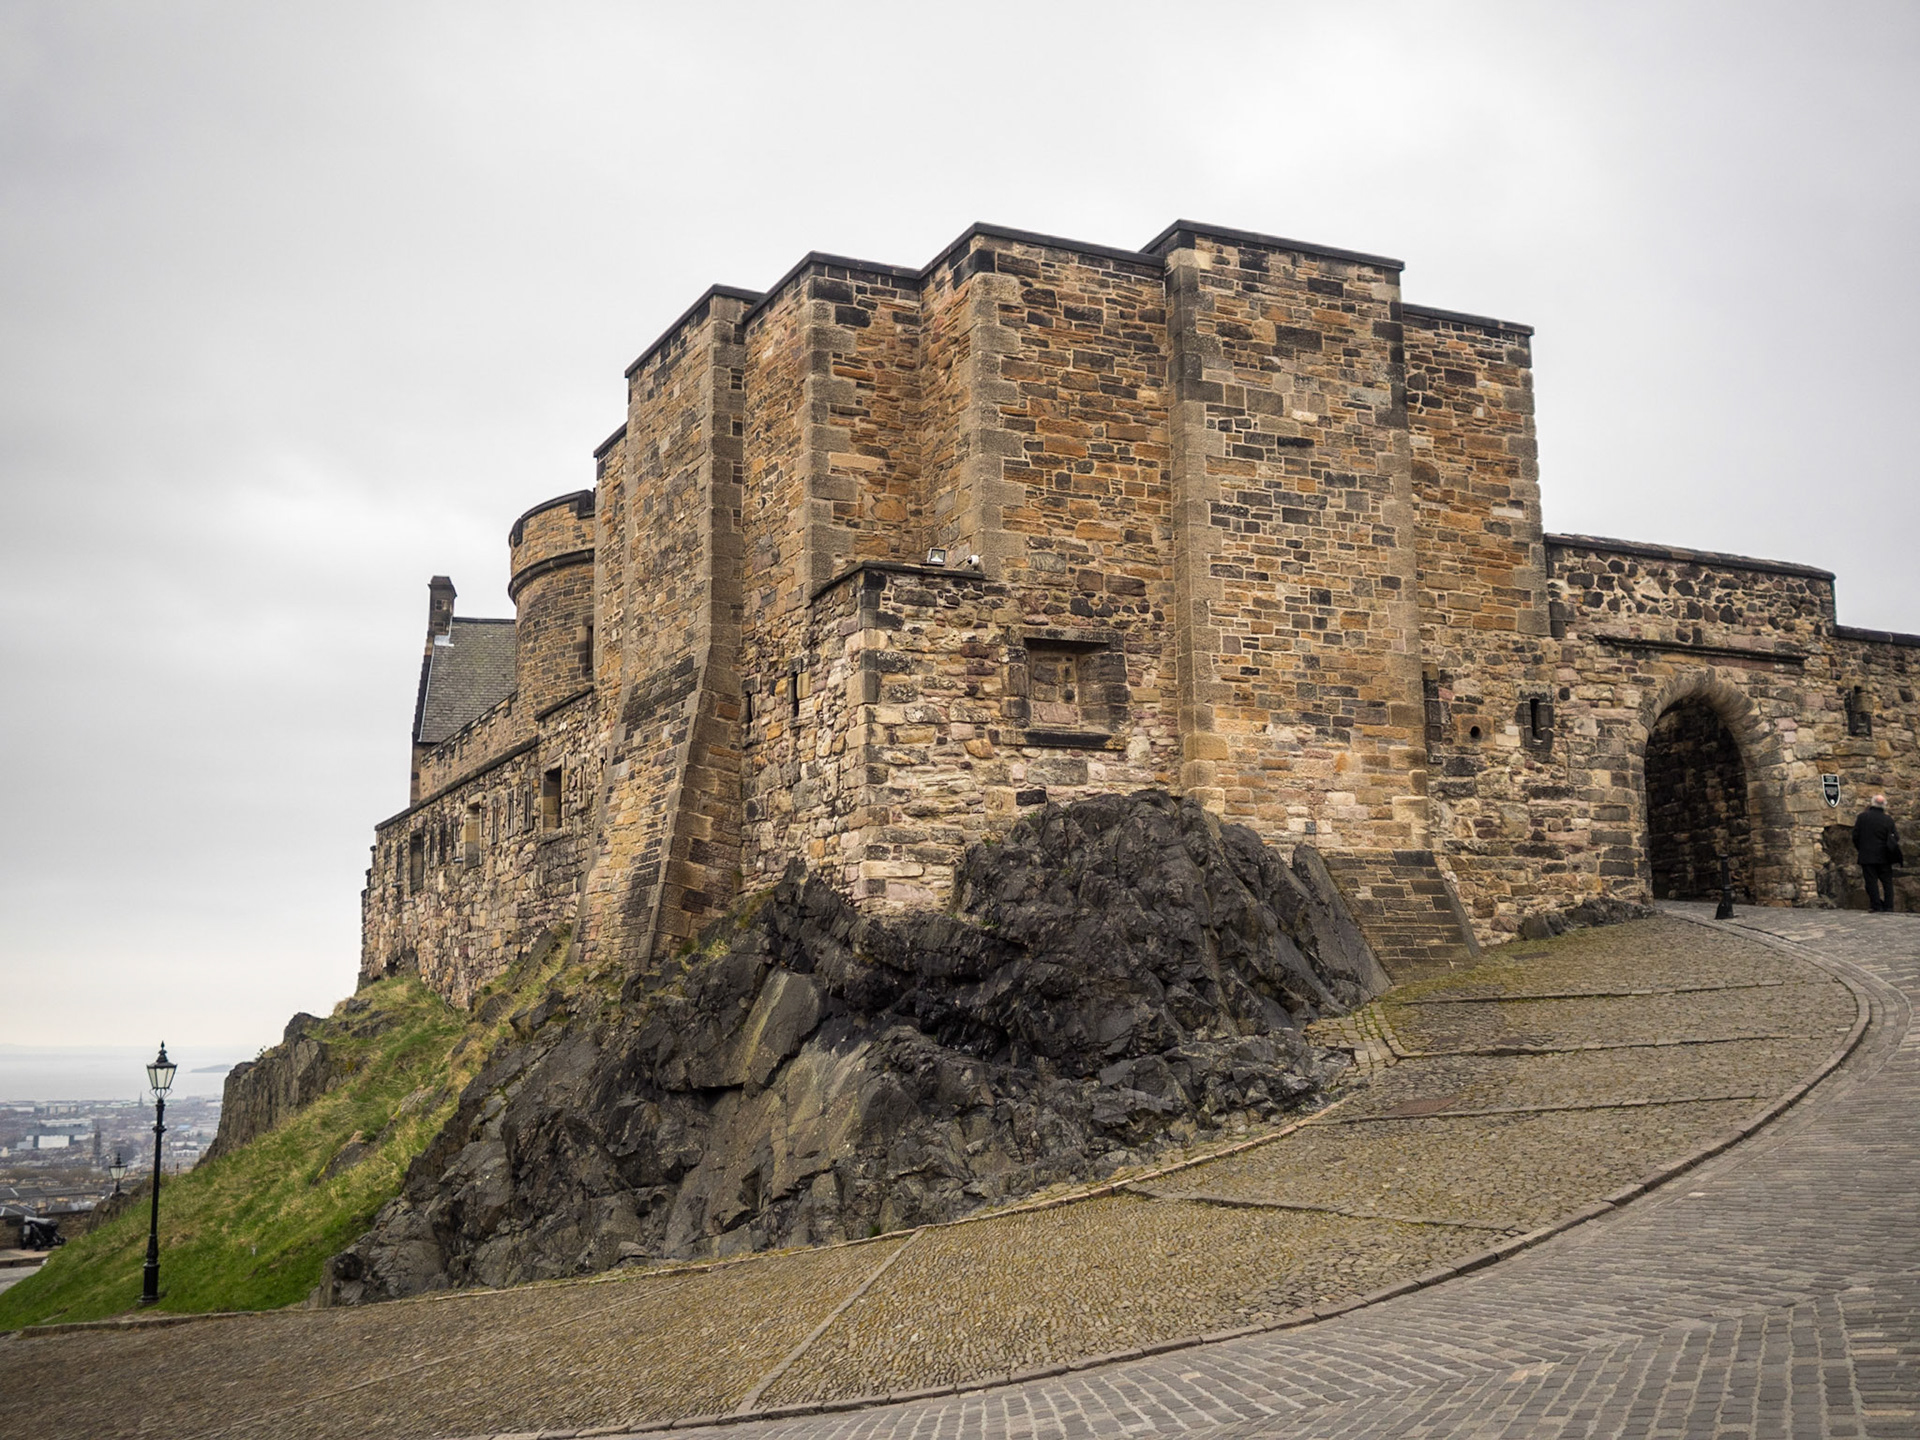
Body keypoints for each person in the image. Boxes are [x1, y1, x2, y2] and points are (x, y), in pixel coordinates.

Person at [1853, 793, 1903, 912]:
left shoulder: (1862, 818)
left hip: (1867, 855)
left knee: (1871, 882)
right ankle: (1888, 906)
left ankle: (1876, 905)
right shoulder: (1888, 819)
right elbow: (1895, 837)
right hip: (1884, 855)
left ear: (1872, 803)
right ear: (1884, 805)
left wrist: (1861, 848)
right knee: (1887, 882)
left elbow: (1855, 836)